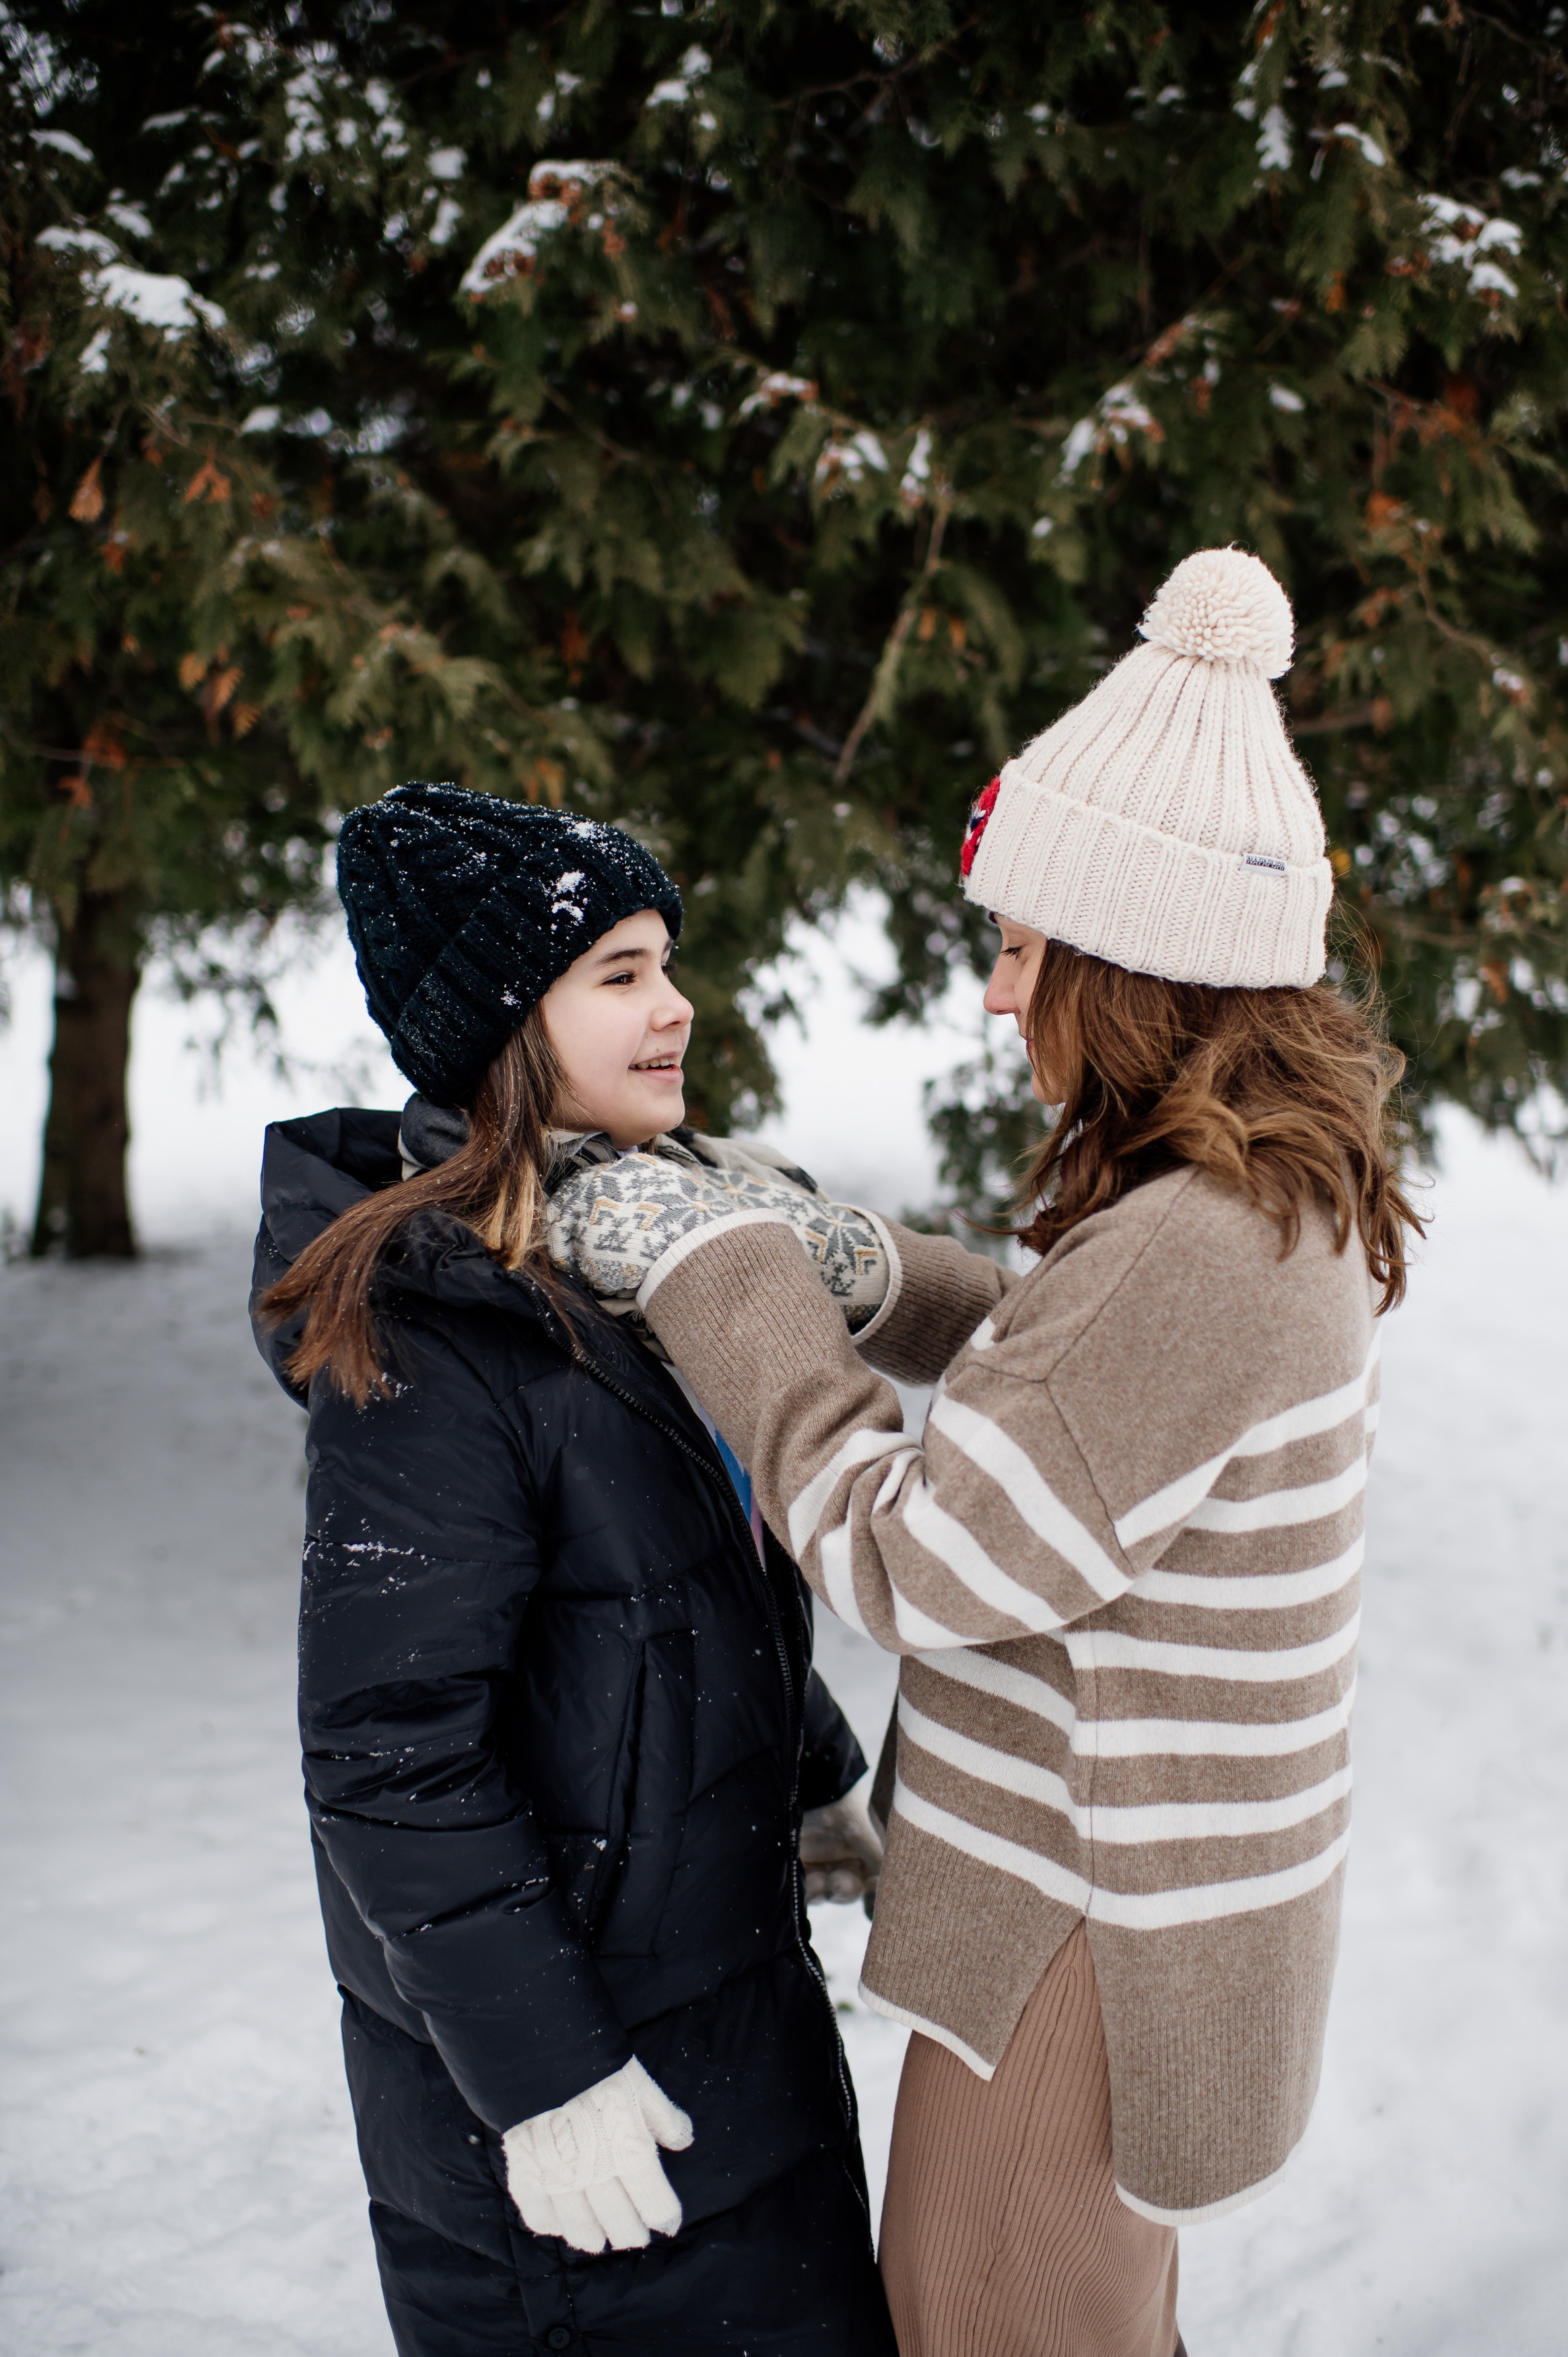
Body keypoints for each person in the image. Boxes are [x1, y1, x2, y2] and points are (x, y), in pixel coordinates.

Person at [543, 548, 1425, 2357]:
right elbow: (1076, 1386)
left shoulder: (1196, 1248)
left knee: (989, 2329)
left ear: (1132, 962)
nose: (996, 995)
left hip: (1081, 1950)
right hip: (1127, 1915)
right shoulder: (1249, 1196)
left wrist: (728, 1276)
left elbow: (917, 1561)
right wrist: (866, 1271)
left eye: (1021, 948)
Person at [250, 783, 898, 2357]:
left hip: (730, 2023)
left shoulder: (624, 1248)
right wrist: (544, 2076)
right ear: (504, 1024)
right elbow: (389, 1749)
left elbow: (678, 1577)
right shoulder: (434, 1328)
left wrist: (810, 1772)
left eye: (666, 962)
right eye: (619, 973)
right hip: (572, 2125)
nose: (676, 1005)